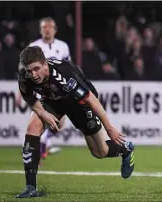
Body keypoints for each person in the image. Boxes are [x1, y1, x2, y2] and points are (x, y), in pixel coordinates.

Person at [16, 46, 135, 198]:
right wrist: (42, 113)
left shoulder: (65, 76)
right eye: (29, 71)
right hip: (54, 100)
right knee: (32, 127)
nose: (33, 74)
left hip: (79, 103)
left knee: (100, 152)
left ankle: (125, 149)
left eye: (36, 69)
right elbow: (29, 98)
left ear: (45, 64)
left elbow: (91, 100)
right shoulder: (25, 76)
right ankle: (30, 187)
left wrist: (110, 128)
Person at [29, 17, 71, 158]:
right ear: (40, 30)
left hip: (60, 89)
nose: (47, 29)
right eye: (44, 27)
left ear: (55, 30)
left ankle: (41, 143)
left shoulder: (63, 46)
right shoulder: (34, 47)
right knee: (44, 121)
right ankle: (38, 148)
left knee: (59, 123)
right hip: (41, 90)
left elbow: (68, 68)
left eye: (50, 27)